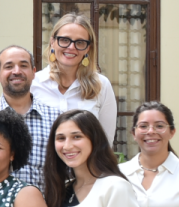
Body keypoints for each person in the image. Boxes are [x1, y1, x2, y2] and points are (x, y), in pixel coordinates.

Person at [0, 45, 60, 193]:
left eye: (23, 65)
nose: (17, 71)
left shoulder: (57, 120)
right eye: (9, 66)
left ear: (34, 72)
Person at [31, 13, 119, 144]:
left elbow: (105, 143)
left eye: (80, 42)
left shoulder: (101, 85)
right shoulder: (33, 84)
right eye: (65, 40)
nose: (71, 47)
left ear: (88, 48)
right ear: (52, 42)